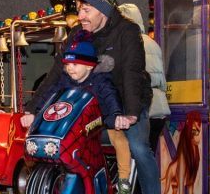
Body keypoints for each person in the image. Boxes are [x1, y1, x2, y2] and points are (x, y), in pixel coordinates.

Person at [30, 0, 160, 194]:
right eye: (80, 10)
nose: (81, 16)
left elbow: (132, 72)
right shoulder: (77, 33)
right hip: (93, 100)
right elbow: (56, 74)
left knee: (138, 147)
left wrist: (131, 113)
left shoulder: (127, 31)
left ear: (103, 11)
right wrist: (33, 108)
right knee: (70, 140)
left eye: (86, 10)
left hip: (127, 99)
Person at [20, 37, 131, 193]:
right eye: (67, 65)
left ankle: (124, 179)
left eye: (75, 64)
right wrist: (34, 112)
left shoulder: (101, 81)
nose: (70, 68)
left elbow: (110, 98)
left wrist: (116, 115)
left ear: (89, 66)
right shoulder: (64, 80)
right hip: (77, 122)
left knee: (118, 139)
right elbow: (48, 95)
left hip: (102, 119)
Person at [119, 3, 170, 154]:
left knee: (133, 155)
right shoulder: (152, 43)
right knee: (149, 154)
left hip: (142, 107)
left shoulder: (127, 42)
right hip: (159, 108)